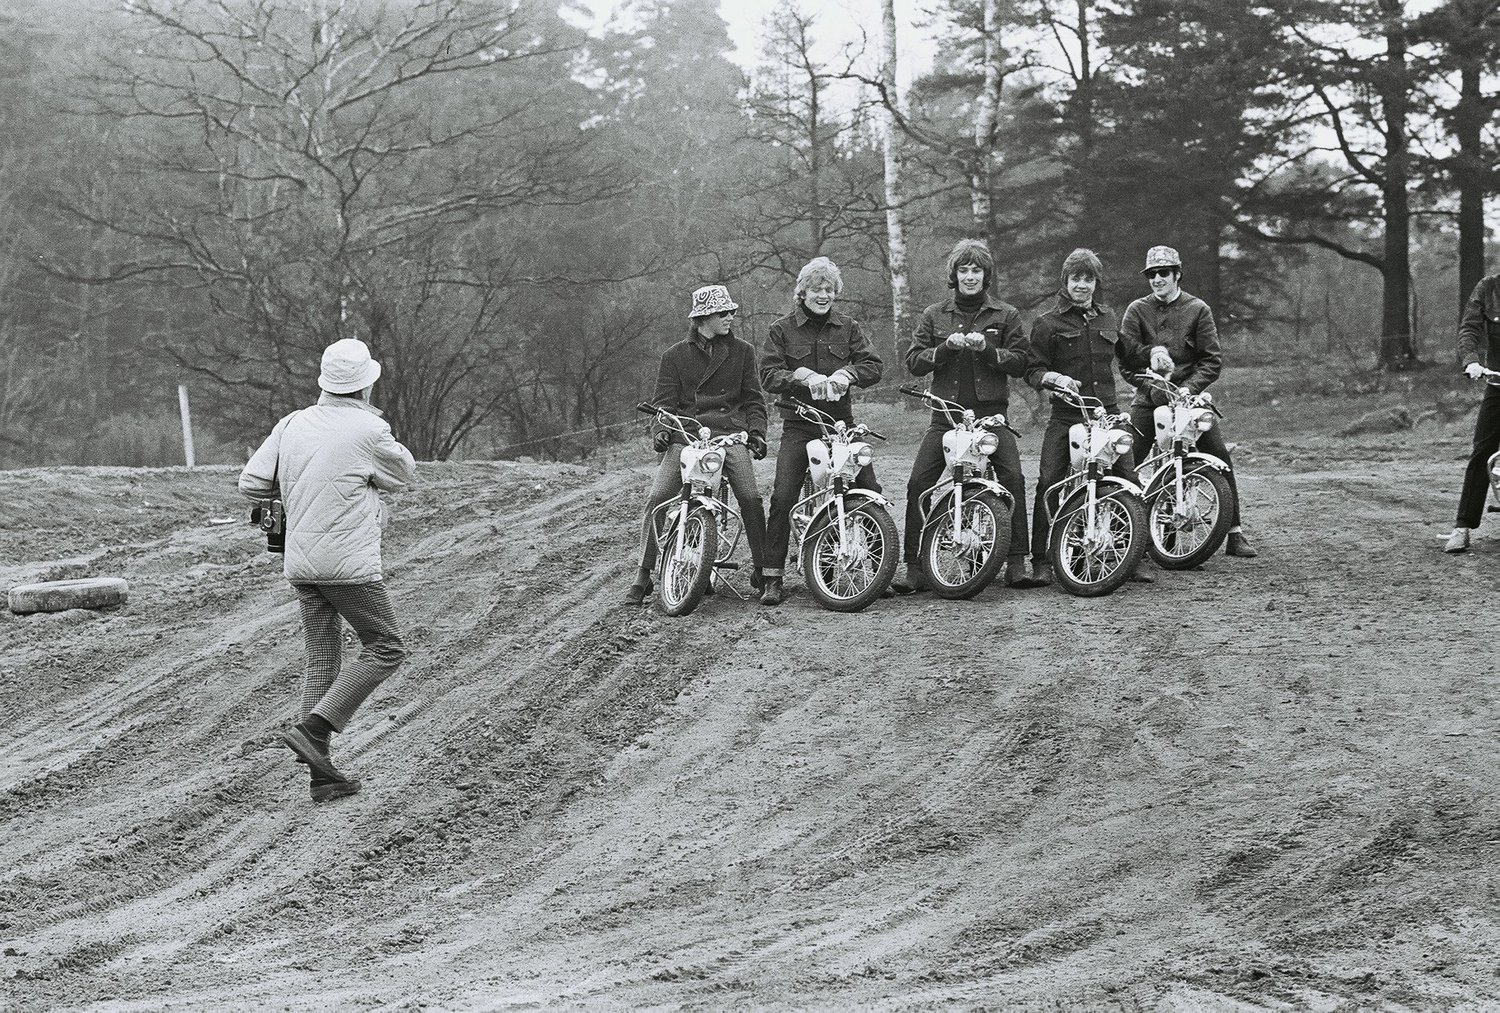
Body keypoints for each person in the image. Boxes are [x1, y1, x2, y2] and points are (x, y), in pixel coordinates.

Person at [239, 337, 417, 804]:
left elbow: (252, 482)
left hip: (301, 563)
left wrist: (300, 488)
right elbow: (404, 476)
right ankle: (315, 729)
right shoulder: (369, 430)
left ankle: (321, 776)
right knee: (386, 647)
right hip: (349, 566)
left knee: (322, 658)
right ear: (366, 385)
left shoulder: (292, 424)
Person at [895, 238, 1039, 592]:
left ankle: (1016, 563)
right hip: (945, 417)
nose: (970, 277)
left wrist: (988, 350)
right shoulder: (934, 314)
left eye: (976, 270)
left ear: (986, 275)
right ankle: (915, 567)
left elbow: (1022, 362)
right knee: (918, 483)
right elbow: (913, 362)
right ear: (955, 274)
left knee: (1014, 478)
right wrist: (945, 348)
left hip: (992, 418)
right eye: (964, 270)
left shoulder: (1006, 314)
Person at [624, 284, 770, 604]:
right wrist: (661, 430)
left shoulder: (742, 351)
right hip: (687, 436)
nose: (730, 317)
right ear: (704, 318)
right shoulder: (674, 356)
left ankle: (763, 569)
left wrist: (757, 432)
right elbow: (663, 405)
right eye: (723, 312)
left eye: (731, 311)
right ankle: (644, 573)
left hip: (729, 435)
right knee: (658, 497)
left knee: (750, 497)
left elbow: (754, 401)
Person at [1024, 248, 1155, 586]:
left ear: (1096, 282)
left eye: (1088, 279)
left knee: (1128, 480)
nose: (1082, 285)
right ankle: (1042, 561)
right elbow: (1032, 369)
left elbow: (1130, 354)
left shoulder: (1108, 317)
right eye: (1076, 278)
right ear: (1065, 281)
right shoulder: (1047, 323)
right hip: (1066, 416)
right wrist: (1053, 379)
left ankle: (1136, 557)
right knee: (1049, 482)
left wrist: (1154, 353)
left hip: (1107, 415)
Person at [758, 257, 884, 605]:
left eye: (829, 289)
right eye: (816, 289)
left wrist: (847, 375)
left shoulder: (849, 327)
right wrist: (802, 377)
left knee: (868, 489)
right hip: (799, 426)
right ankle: (772, 577)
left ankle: (877, 568)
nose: (823, 295)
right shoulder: (781, 330)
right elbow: (768, 375)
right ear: (803, 292)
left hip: (841, 425)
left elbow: (874, 365)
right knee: (783, 496)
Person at [1121, 245, 1256, 558]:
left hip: (1188, 398)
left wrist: (1188, 389)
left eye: (1163, 273)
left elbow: (1211, 360)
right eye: (1151, 274)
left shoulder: (1198, 309)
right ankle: (1126, 534)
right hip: (1149, 397)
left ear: (1177, 274)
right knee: (1127, 459)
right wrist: (1151, 384)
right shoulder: (1136, 310)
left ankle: (1234, 532)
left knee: (1218, 454)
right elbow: (1127, 362)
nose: (1157, 279)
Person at [1445, 271, 1500, 553]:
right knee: (1483, 451)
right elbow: (1469, 328)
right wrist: (1471, 362)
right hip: (1499, 382)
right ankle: (1463, 527)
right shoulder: (1489, 287)